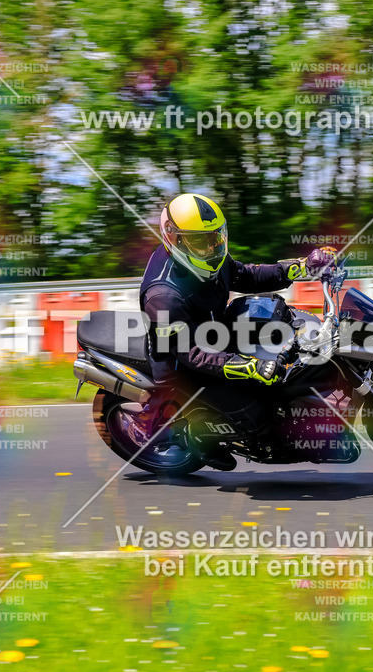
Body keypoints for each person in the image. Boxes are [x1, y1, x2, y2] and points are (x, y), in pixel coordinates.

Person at [137, 193, 336, 469]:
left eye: (216, 236)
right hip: (182, 366)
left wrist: (300, 267)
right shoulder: (163, 296)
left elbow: (246, 275)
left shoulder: (208, 258)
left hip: (211, 330)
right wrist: (246, 367)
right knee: (254, 406)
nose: (211, 246)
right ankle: (201, 440)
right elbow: (190, 353)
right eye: (200, 240)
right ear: (175, 238)